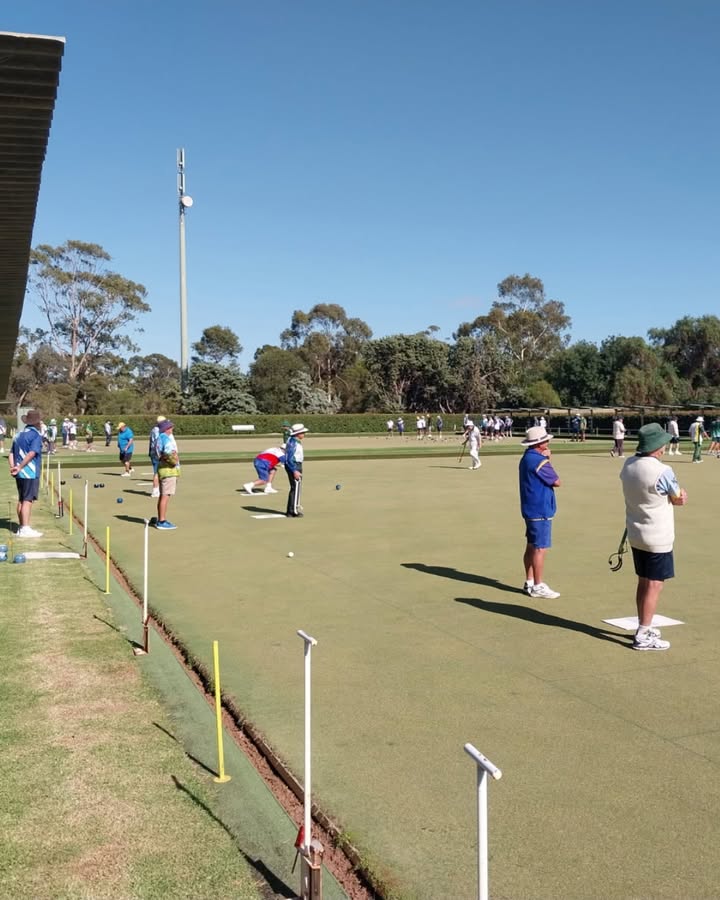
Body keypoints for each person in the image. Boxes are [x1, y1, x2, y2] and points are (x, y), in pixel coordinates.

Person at [619, 422, 687, 651]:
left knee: (644, 581)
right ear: (657, 446)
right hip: (658, 535)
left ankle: (643, 625)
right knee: (655, 584)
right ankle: (644, 633)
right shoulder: (662, 470)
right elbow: (678, 498)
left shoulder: (628, 464)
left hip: (636, 533)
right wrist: (679, 496)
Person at [519, 425, 561, 599]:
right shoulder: (539, 460)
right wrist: (548, 459)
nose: (548, 441)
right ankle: (537, 585)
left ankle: (529, 581)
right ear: (540, 443)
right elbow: (557, 481)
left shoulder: (527, 457)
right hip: (540, 508)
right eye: (545, 439)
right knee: (540, 548)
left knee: (531, 545)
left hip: (530, 507)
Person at [8, 409, 44, 537]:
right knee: (27, 500)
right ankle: (25, 528)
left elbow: (11, 453)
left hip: (19, 473)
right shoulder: (36, 435)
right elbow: (32, 453)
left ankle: (22, 526)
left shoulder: (18, 435)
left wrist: (14, 467)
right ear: (37, 423)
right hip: (29, 472)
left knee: (21, 499)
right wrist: (21, 467)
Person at [154, 419, 180, 530]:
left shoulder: (160, 438)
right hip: (168, 470)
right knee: (165, 496)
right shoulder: (166, 438)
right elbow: (168, 453)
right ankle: (162, 521)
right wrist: (174, 461)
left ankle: (161, 518)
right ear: (167, 428)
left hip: (162, 469)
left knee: (162, 495)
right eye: (170, 427)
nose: (172, 429)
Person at [285, 423, 308, 518]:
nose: (304, 434)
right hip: (294, 466)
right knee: (296, 488)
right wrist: (295, 470)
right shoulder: (293, 443)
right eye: (303, 432)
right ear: (298, 433)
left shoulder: (294, 441)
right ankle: (293, 511)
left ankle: (291, 510)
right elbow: (289, 458)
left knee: (295, 488)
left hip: (295, 465)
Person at [148, 416, 166, 498]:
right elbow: (157, 443)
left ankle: (158, 489)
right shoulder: (158, 430)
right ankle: (155, 491)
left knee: (158, 471)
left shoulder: (154, 429)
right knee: (156, 472)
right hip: (157, 453)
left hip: (153, 452)